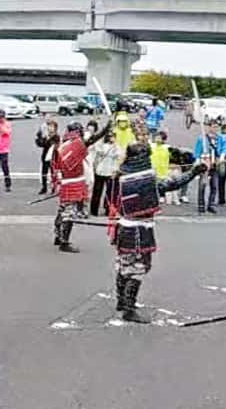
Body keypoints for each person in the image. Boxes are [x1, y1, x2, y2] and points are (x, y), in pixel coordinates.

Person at [110, 134, 194, 323]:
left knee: (124, 265)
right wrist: (194, 171)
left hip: (123, 227)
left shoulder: (120, 176)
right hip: (139, 230)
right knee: (137, 268)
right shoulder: (144, 180)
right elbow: (172, 184)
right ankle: (128, 309)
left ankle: (121, 301)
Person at [49, 120, 90, 253]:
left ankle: (58, 235)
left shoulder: (63, 144)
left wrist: (56, 182)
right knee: (69, 213)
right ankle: (64, 242)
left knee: (62, 209)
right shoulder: (74, 144)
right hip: (71, 182)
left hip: (66, 180)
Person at [88, 126, 122, 217]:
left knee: (110, 193)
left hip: (110, 171)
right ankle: (95, 209)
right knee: (98, 192)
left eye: (113, 136)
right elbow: (94, 149)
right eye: (110, 136)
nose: (112, 138)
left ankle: (107, 209)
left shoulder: (116, 147)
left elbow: (119, 156)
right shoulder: (101, 145)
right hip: (101, 171)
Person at [34, 118, 58, 195]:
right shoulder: (46, 136)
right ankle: (44, 187)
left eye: (52, 127)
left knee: (53, 172)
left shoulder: (56, 137)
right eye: (49, 127)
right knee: (44, 172)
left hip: (53, 157)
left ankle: (54, 187)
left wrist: (47, 139)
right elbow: (40, 144)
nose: (50, 128)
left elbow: (52, 144)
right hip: (45, 156)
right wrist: (39, 135)